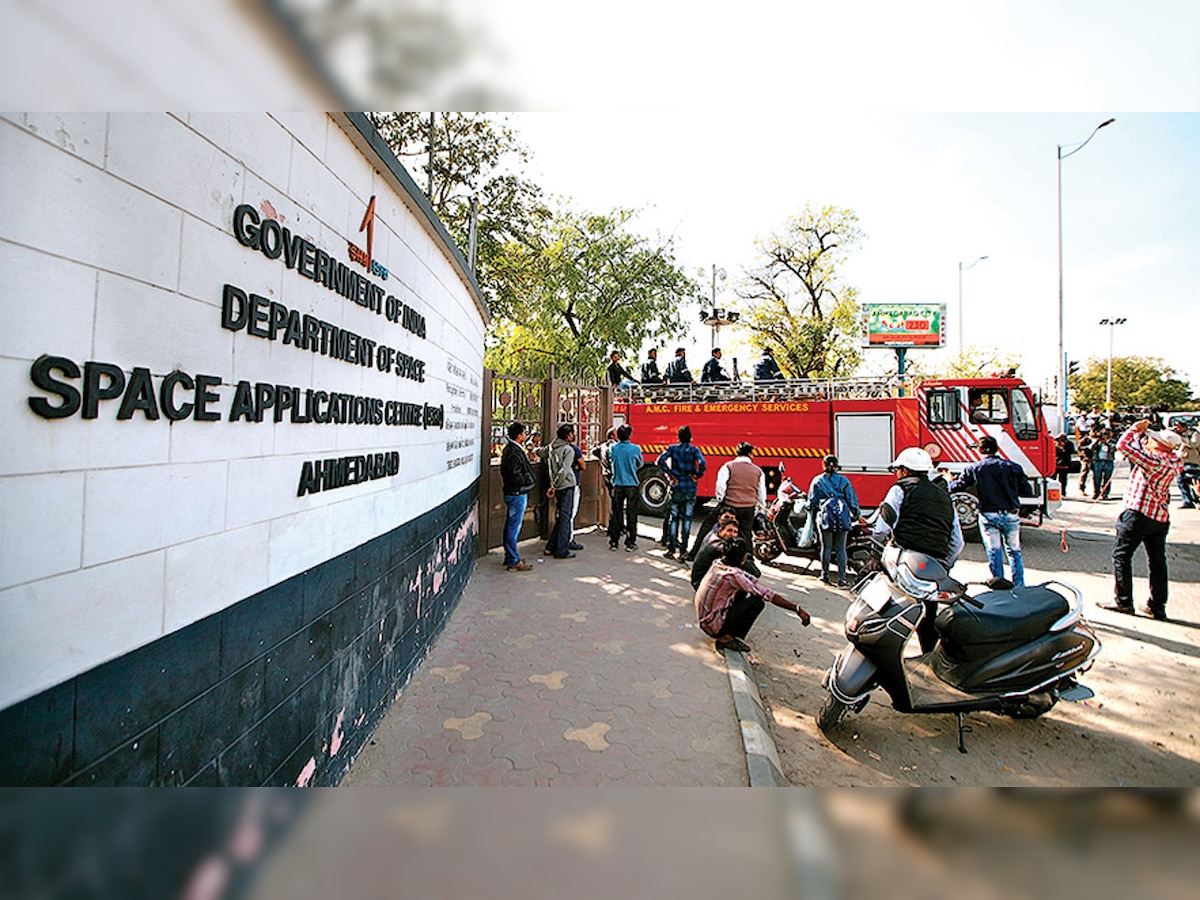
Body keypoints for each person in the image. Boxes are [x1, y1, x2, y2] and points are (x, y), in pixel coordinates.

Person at [866, 447, 964, 652]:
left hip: (903, 563)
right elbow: (958, 542)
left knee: (886, 609)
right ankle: (928, 657)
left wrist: (874, 554)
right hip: (933, 570)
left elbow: (882, 527)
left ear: (904, 470)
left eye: (897, 470)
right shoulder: (945, 496)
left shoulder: (900, 489)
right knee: (928, 619)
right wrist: (943, 567)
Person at [1102, 420, 1184, 621]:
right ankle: (1157, 606)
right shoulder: (1174, 461)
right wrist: (1141, 436)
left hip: (1138, 514)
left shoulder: (1153, 461)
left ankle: (1124, 601)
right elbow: (1138, 450)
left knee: (1121, 556)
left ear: (1158, 445)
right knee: (1157, 562)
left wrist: (1133, 430)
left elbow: (1123, 446)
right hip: (1160, 517)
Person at [694, 538, 810, 653]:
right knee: (757, 602)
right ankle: (726, 638)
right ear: (742, 558)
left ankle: (727, 634)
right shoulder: (733, 575)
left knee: (743, 591)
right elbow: (766, 594)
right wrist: (796, 609)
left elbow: (749, 580)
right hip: (713, 625)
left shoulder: (718, 564)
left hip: (706, 620)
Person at [948, 436, 1028, 587]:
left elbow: (956, 487)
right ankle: (1019, 584)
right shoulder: (1013, 466)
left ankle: (998, 583)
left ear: (979, 450)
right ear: (997, 449)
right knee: (1014, 551)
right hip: (1011, 514)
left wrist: (950, 479)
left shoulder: (975, 468)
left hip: (988, 515)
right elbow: (1026, 490)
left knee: (994, 550)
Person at [807, 455, 861, 587]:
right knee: (841, 549)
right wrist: (856, 514)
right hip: (842, 518)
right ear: (837, 466)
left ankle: (825, 575)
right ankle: (842, 579)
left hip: (826, 517)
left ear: (823, 465)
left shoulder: (818, 480)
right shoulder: (844, 481)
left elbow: (812, 501)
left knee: (826, 547)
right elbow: (851, 500)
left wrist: (809, 506)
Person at [656, 426, 707, 559]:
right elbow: (702, 463)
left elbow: (660, 461)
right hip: (690, 488)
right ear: (690, 437)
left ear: (678, 437)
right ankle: (684, 550)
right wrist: (697, 475)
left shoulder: (672, 449)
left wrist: (672, 475)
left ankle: (671, 549)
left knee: (674, 519)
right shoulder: (694, 450)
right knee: (687, 519)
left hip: (676, 487)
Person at [499, 421, 537, 572]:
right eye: (524, 433)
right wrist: (528, 480)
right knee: (513, 527)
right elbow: (515, 474)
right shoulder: (514, 452)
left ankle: (511, 556)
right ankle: (513, 560)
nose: (525, 435)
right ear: (519, 435)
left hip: (514, 492)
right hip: (516, 493)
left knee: (512, 526)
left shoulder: (512, 449)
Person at [713, 442, 765, 544]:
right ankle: (748, 557)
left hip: (731, 506)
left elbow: (720, 486)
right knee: (746, 533)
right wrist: (761, 507)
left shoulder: (728, 466)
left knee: (727, 531)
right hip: (748, 508)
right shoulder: (758, 471)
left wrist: (721, 499)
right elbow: (761, 493)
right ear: (750, 454)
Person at [541, 423, 578, 559]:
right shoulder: (568, 450)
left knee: (561, 517)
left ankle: (550, 546)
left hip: (558, 487)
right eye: (572, 433)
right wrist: (555, 485)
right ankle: (562, 550)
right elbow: (564, 470)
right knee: (565, 518)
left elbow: (540, 452)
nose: (573, 436)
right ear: (568, 435)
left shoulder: (552, 447)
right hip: (566, 485)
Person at [607, 424, 643, 552]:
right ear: (629, 435)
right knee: (631, 513)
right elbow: (639, 464)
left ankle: (614, 541)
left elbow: (610, 460)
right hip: (632, 484)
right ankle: (630, 542)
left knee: (617, 513)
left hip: (617, 484)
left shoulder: (614, 448)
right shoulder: (635, 449)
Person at [1173, 421, 1199, 508]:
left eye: (1178, 427)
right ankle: (1187, 501)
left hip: (1193, 461)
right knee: (1180, 481)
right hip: (1181, 461)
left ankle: (1196, 499)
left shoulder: (1193, 433)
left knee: (1193, 481)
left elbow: (1194, 444)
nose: (1177, 429)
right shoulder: (1178, 435)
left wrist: (1182, 438)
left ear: (1184, 427)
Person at [1091, 427, 1117, 499]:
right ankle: (1096, 492)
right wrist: (1097, 441)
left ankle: (1105, 494)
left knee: (1107, 478)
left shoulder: (1112, 441)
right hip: (1098, 461)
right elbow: (1091, 448)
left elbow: (1114, 449)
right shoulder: (1097, 441)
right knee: (1096, 478)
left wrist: (1107, 443)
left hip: (1108, 461)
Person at [1054, 434, 1075, 499]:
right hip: (1055, 463)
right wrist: (1058, 446)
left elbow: (1072, 451)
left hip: (1064, 463)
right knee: (1053, 479)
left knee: (1063, 480)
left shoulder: (1069, 444)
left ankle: (1063, 492)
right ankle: (1054, 492)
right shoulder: (1054, 443)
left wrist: (1064, 448)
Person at [1077, 431, 1094, 495]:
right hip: (1086, 458)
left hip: (1095, 459)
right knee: (1084, 473)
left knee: (1097, 475)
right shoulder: (1085, 440)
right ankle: (1081, 488)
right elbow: (1079, 448)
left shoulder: (1097, 440)